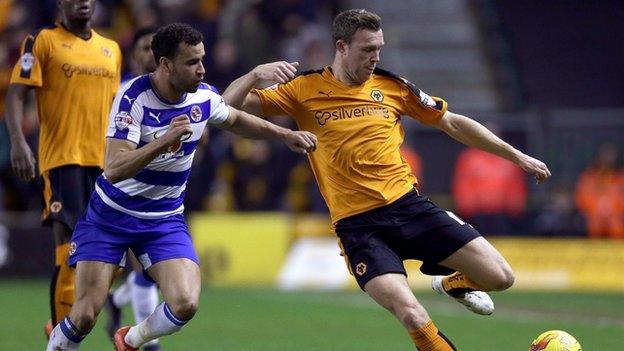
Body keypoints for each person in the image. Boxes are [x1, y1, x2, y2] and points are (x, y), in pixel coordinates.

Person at [223, 9, 551, 350]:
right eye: (367, 50)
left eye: (378, 48)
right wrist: (254, 74)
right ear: (342, 47)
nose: (375, 57)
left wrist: (517, 155)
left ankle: (455, 284)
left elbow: (451, 122)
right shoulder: (303, 89)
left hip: (409, 208)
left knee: (501, 278)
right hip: (359, 227)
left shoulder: (392, 86)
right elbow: (225, 111)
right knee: (411, 313)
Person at [45, 22, 316, 351]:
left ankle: (130, 340)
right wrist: (164, 141)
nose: (202, 70)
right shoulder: (133, 98)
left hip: (163, 219)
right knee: (85, 315)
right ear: (165, 64)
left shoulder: (201, 96)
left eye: (202, 60)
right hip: (111, 217)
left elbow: (235, 118)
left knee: (186, 303)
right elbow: (114, 168)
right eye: (192, 62)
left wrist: (284, 135)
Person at [4, 0, 121, 337]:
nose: (82, 2)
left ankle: (74, 316)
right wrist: (18, 141)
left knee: (106, 250)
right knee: (67, 242)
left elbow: (114, 109)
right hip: (62, 160)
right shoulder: (42, 41)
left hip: (105, 164)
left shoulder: (110, 49)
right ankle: (59, 332)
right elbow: (16, 94)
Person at [104, 27, 163, 351]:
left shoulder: (175, 91)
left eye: (156, 48)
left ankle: (117, 299)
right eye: (145, 47)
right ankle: (148, 344)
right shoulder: (122, 92)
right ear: (134, 54)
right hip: (125, 193)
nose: (151, 54)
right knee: (146, 267)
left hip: (166, 190)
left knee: (152, 272)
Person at [452, 123, 527, 235]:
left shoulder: (508, 159)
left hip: (502, 213)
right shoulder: (470, 158)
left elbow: (516, 185)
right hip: (477, 212)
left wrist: (515, 208)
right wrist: (466, 207)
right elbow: (463, 183)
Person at [574, 142, 624, 239]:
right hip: (592, 219)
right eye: (605, 155)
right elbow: (581, 200)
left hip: (617, 219)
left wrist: (612, 213)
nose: (608, 159)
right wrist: (597, 212)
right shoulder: (588, 177)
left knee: (616, 224)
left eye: (611, 155)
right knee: (594, 224)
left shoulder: (621, 178)